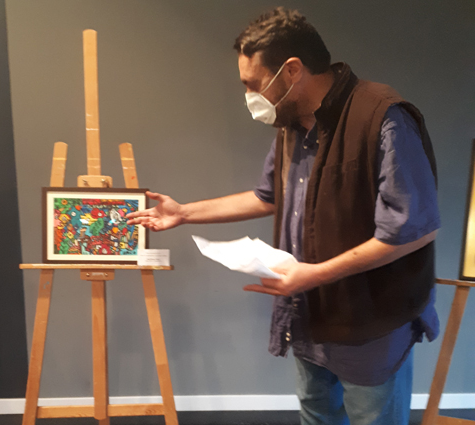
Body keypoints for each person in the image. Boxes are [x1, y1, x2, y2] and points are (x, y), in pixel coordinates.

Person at [127, 8, 440, 425]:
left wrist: (313, 275)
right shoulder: (292, 125)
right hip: (309, 319)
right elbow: (268, 196)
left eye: (252, 84)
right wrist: (184, 213)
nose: (249, 96)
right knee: (316, 416)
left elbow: (412, 231)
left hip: (370, 326)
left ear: (292, 70)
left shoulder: (382, 117)